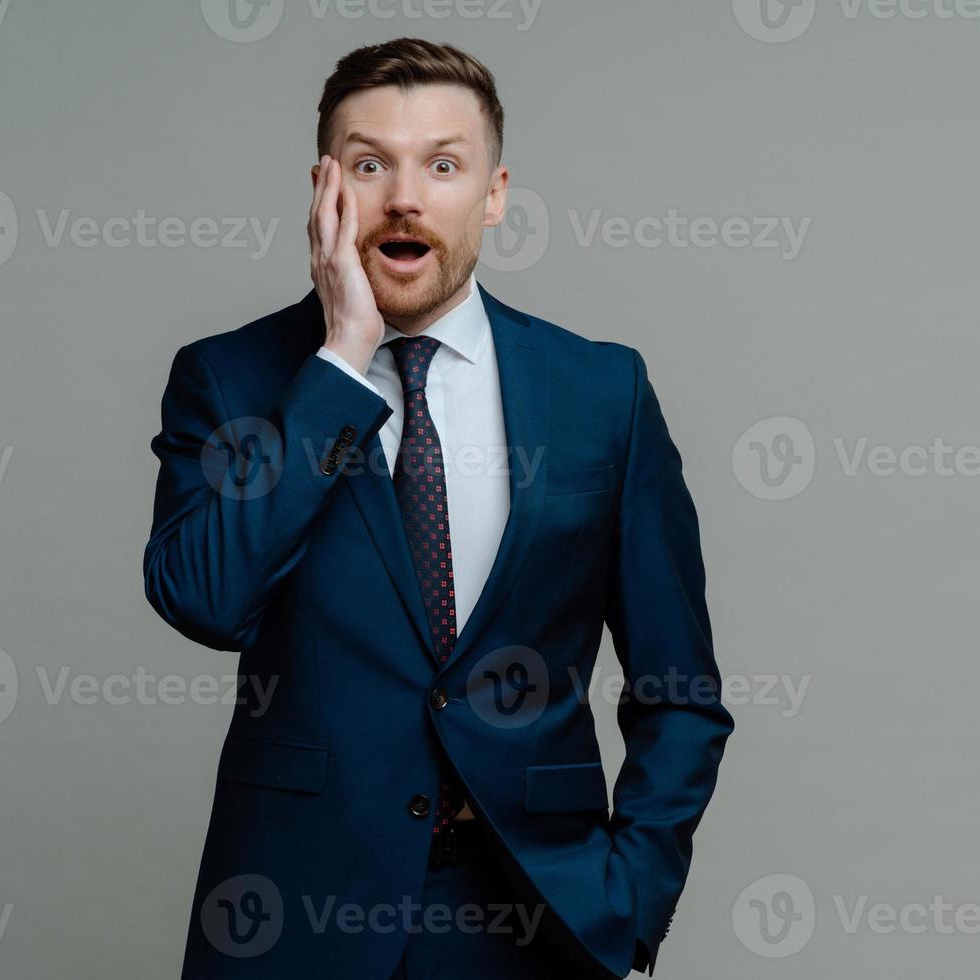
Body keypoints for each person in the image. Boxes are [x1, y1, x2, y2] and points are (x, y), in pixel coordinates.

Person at [143, 36, 733, 979]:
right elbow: (205, 600)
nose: (405, 198)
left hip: (535, 916)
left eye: (444, 165)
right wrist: (338, 363)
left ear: (494, 193)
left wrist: (631, 897)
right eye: (370, 164)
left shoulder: (601, 393)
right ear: (324, 189)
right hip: (292, 920)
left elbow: (682, 691)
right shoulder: (230, 379)